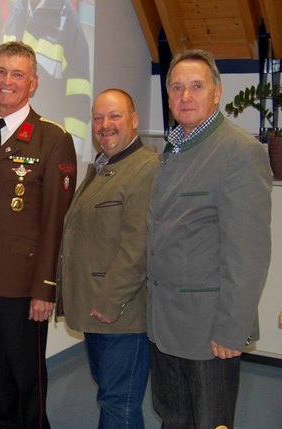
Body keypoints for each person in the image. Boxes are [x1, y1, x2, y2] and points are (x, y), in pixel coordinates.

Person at [147, 49, 272, 428]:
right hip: (165, 325)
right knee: (174, 419)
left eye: (196, 86)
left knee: (209, 421)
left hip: (209, 333)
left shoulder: (239, 151)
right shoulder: (174, 148)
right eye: (177, 88)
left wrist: (232, 329)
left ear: (217, 93)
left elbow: (247, 253)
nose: (185, 96)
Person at [0, 41, 77, 428]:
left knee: (26, 379)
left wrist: (45, 288)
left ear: (33, 83)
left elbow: (54, 220)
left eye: (17, 74)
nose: (7, 81)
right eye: (0, 72)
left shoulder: (51, 138)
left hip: (22, 284)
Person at [56, 89, 158, 428]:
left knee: (119, 404)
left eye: (114, 116)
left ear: (134, 120)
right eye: (98, 118)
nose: (104, 125)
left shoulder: (145, 168)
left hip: (121, 315)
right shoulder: (103, 167)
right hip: (97, 311)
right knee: (115, 399)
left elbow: (138, 246)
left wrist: (111, 302)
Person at [3, 0, 92, 152]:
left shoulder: (67, 22)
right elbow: (1, 85)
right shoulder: (18, 11)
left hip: (46, 146)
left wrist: (71, 154)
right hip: (11, 139)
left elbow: (78, 98)